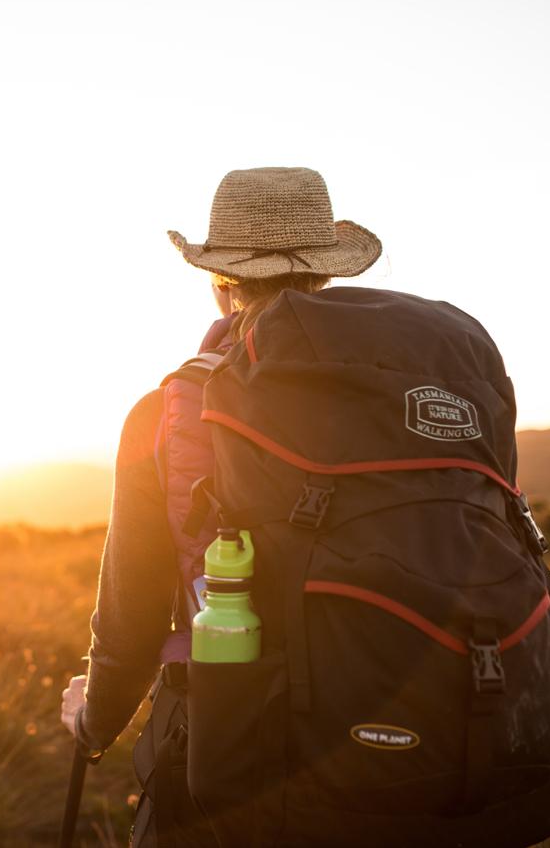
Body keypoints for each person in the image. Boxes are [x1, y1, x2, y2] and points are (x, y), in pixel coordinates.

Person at [60, 167, 382, 847]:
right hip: (413, 721)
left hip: (233, 739)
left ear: (220, 281)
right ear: (326, 277)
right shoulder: (398, 398)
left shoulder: (170, 411)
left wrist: (93, 719)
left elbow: (131, 617)